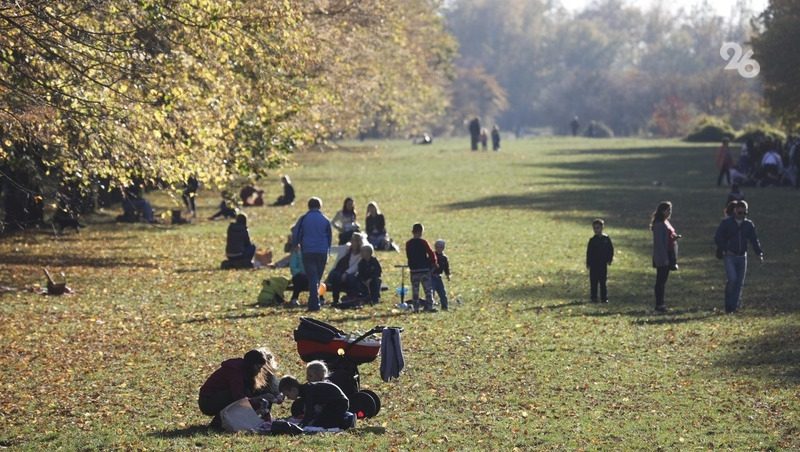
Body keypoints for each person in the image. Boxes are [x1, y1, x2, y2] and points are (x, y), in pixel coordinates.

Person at [198, 348, 281, 427]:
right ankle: (219, 421)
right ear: (251, 365)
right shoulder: (235, 372)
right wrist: (259, 399)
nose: (259, 371)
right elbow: (239, 398)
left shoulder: (246, 372)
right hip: (207, 401)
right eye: (258, 367)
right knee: (232, 396)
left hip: (219, 397)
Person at [714, 200, 764, 314]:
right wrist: (725, 248)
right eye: (739, 213)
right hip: (730, 256)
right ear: (735, 211)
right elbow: (718, 237)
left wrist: (759, 253)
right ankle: (728, 305)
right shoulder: (726, 223)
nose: (741, 215)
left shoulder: (748, 224)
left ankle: (734, 306)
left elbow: (754, 240)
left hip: (742, 257)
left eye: (744, 213)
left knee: (739, 282)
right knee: (732, 279)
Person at [291, 197, 332, 312]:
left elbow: (296, 232)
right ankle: (315, 301)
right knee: (317, 277)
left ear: (309, 206)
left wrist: (295, 244)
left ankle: (314, 303)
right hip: (322, 251)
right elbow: (329, 236)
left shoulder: (304, 219)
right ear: (320, 206)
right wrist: (327, 250)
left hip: (308, 250)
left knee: (313, 277)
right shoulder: (325, 219)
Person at [279, 376, 349, 429]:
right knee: (319, 420)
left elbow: (309, 412)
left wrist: (301, 426)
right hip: (332, 404)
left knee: (320, 423)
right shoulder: (307, 390)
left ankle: (346, 421)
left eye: (287, 395)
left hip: (340, 403)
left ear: (294, 390)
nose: (288, 398)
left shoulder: (308, 391)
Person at [651, 201, 680, 313]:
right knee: (660, 281)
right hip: (662, 255)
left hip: (668, 253)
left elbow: (667, 237)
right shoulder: (659, 224)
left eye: (670, 210)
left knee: (663, 281)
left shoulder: (665, 222)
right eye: (668, 210)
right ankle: (659, 304)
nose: (669, 212)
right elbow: (659, 243)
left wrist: (673, 238)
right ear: (662, 211)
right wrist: (664, 259)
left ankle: (661, 303)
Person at [405, 223, 438, 313]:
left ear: (412, 232)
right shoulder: (423, 242)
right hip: (424, 269)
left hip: (414, 270)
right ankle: (429, 306)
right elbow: (431, 253)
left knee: (415, 290)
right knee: (428, 289)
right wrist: (434, 263)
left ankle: (416, 308)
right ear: (421, 232)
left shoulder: (408, 243)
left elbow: (408, 256)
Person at [325, 232, 364, 305]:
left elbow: (356, 266)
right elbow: (332, 249)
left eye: (356, 241)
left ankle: (351, 298)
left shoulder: (361, 253)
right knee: (335, 275)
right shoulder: (346, 248)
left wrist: (346, 273)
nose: (353, 242)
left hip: (351, 274)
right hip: (339, 271)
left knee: (351, 278)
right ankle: (335, 300)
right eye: (352, 240)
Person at [586, 219, 614, 304]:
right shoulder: (592, 240)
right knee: (593, 281)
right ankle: (593, 297)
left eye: (598, 228)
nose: (596, 230)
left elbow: (610, 250)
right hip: (594, 264)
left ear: (602, 228)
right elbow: (589, 252)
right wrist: (588, 262)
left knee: (603, 281)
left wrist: (609, 259)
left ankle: (604, 298)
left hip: (602, 263)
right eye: (594, 228)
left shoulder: (606, 239)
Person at [431, 239, 451, 311]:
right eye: (437, 247)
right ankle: (430, 306)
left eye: (440, 247)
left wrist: (448, 275)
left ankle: (444, 307)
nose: (439, 248)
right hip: (432, 276)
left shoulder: (444, 258)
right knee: (431, 292)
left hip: (439, 277)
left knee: (442, 293)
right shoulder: (432, 256)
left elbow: (446, 267)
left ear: (443, 248)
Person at [287, 243, 308, 307]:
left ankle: (319, 298)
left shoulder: (313, 252)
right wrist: (300, 273)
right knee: (298, 279)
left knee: (315, 280)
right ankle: (294, 298)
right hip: (299, 276)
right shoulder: (296, 252)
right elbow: (293, 267)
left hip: (310, 275)